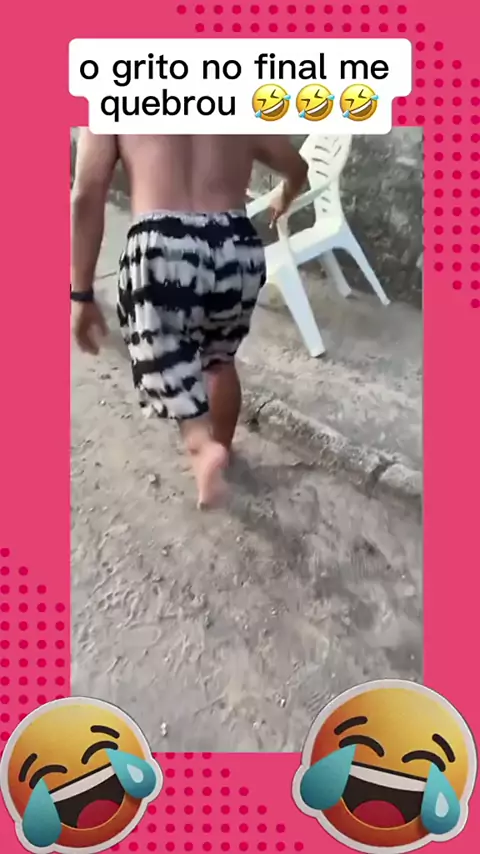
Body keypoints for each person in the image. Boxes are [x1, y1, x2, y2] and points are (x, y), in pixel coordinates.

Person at [71, 134, 308, 507]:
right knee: (221, 359)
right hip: (234, 243)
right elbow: (297, 166)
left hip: (164, 244)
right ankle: (221, 450)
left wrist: (81, 293)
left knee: (164, 354)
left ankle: (200, 445)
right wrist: (285, 195)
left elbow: (86, 194)